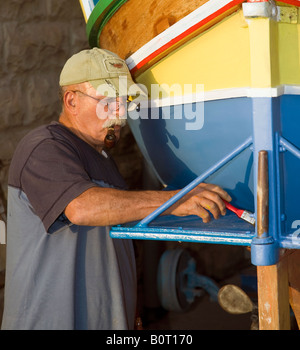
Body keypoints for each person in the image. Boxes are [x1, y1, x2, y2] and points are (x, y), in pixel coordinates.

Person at [1, 47, 232, 330]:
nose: (120, 114)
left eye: (124, 101)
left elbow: (114, 248)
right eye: (108, 101)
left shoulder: (103, 160)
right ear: (71, 101)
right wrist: (174, 201)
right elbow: (81, 207)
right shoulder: (44, 147)